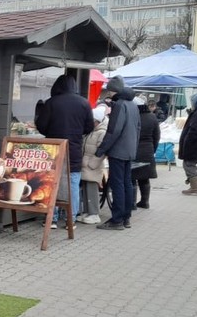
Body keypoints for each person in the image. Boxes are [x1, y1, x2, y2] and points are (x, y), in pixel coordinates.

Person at [34, 74, 94, 227]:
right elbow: (89, 127)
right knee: (72, 184)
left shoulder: (51, 102)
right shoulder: (84, 103)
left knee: (52, 182)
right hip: (74, 149)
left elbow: (41, 125)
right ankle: (70, 220)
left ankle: (51, 219)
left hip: (53, 148)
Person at [94, 76, 140, 230]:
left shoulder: (120, 105)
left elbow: (114, 130)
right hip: (129, 150)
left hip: (118, 151)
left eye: (109, 90)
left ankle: (117, 219)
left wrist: (102, 150)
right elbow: (138, 128)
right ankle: (126, 217)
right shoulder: (133, 105)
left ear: (113, 90)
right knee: (127, 183)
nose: (108, 93)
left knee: (117, 184)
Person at [80, 106, 108, 224]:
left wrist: (92, 164)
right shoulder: (92, 131)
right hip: (86, 165)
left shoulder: (102, 132)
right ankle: (87, 212)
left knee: (92, 189)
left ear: (97, 121)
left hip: (93, 166)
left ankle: (94, 213)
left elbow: (102, 151)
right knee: (86, 189)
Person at [132, 96, 161, 209]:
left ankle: (132, 203)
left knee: (131, 177)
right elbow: (157, 136)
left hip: (133, 149)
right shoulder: (152, 117)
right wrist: (153, 149)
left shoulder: (133, 117)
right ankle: (145, 201)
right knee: (144, 177)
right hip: (147, 150)